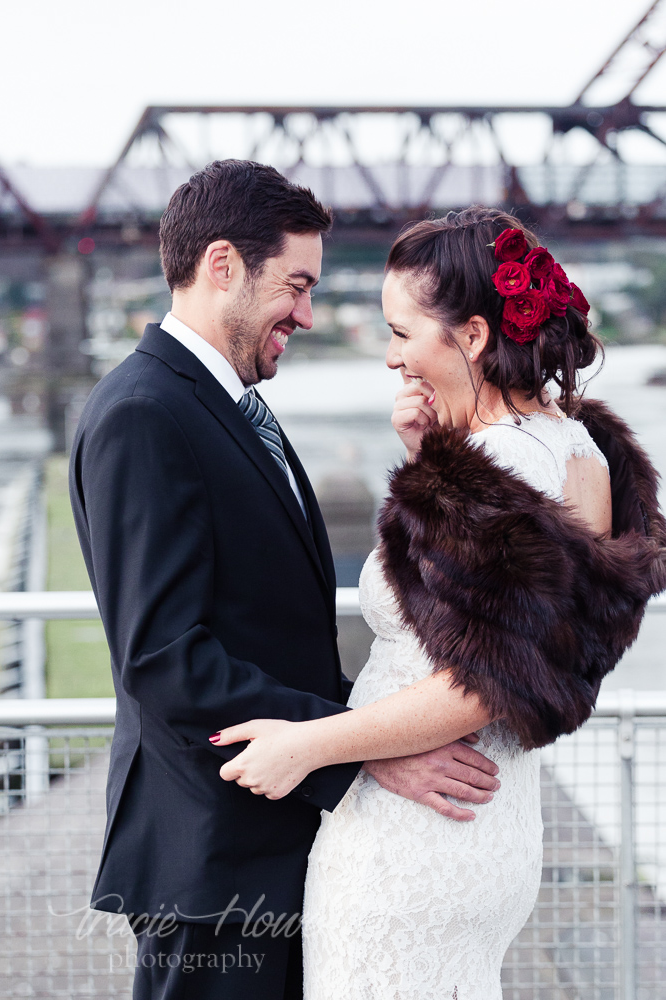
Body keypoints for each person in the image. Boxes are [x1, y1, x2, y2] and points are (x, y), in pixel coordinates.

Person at [68, 164, 500, 1000]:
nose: (306, 314)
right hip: (210, 861)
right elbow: (165, 660)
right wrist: (361, 755)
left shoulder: (225, 407)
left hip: (266, 842)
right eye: (296, 286)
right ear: (222, 264)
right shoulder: (143, 414)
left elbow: (273, 636)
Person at [212, 207, 666, 999]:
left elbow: (483, 679)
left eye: (401, 331)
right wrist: (431, 463)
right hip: (485, 823)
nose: (390, 357)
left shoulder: (499, 457)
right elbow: (508, 610)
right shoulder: (569, 447)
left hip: (415, 837)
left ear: (474, 337)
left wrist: (313, 744)